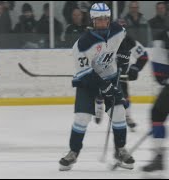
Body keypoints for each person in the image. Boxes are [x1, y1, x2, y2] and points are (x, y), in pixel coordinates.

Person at [59, 3, 135, 171]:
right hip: (87, 82)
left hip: (111, 77)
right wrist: (105, 86)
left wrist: (124, 54)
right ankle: (73, 152)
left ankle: (120, 150)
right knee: (82, 117)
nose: (103, 22)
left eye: (106, 19)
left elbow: (126, 41)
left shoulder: (117, 30)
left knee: (119, 113)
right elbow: (86, 74)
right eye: (99, 20)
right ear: (92, 21)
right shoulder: (82, 44)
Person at [141, 28, 169, 172]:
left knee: (157, 114)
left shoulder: (162, 34)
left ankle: (158, 157)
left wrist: (163, 79)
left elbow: (159, 71)